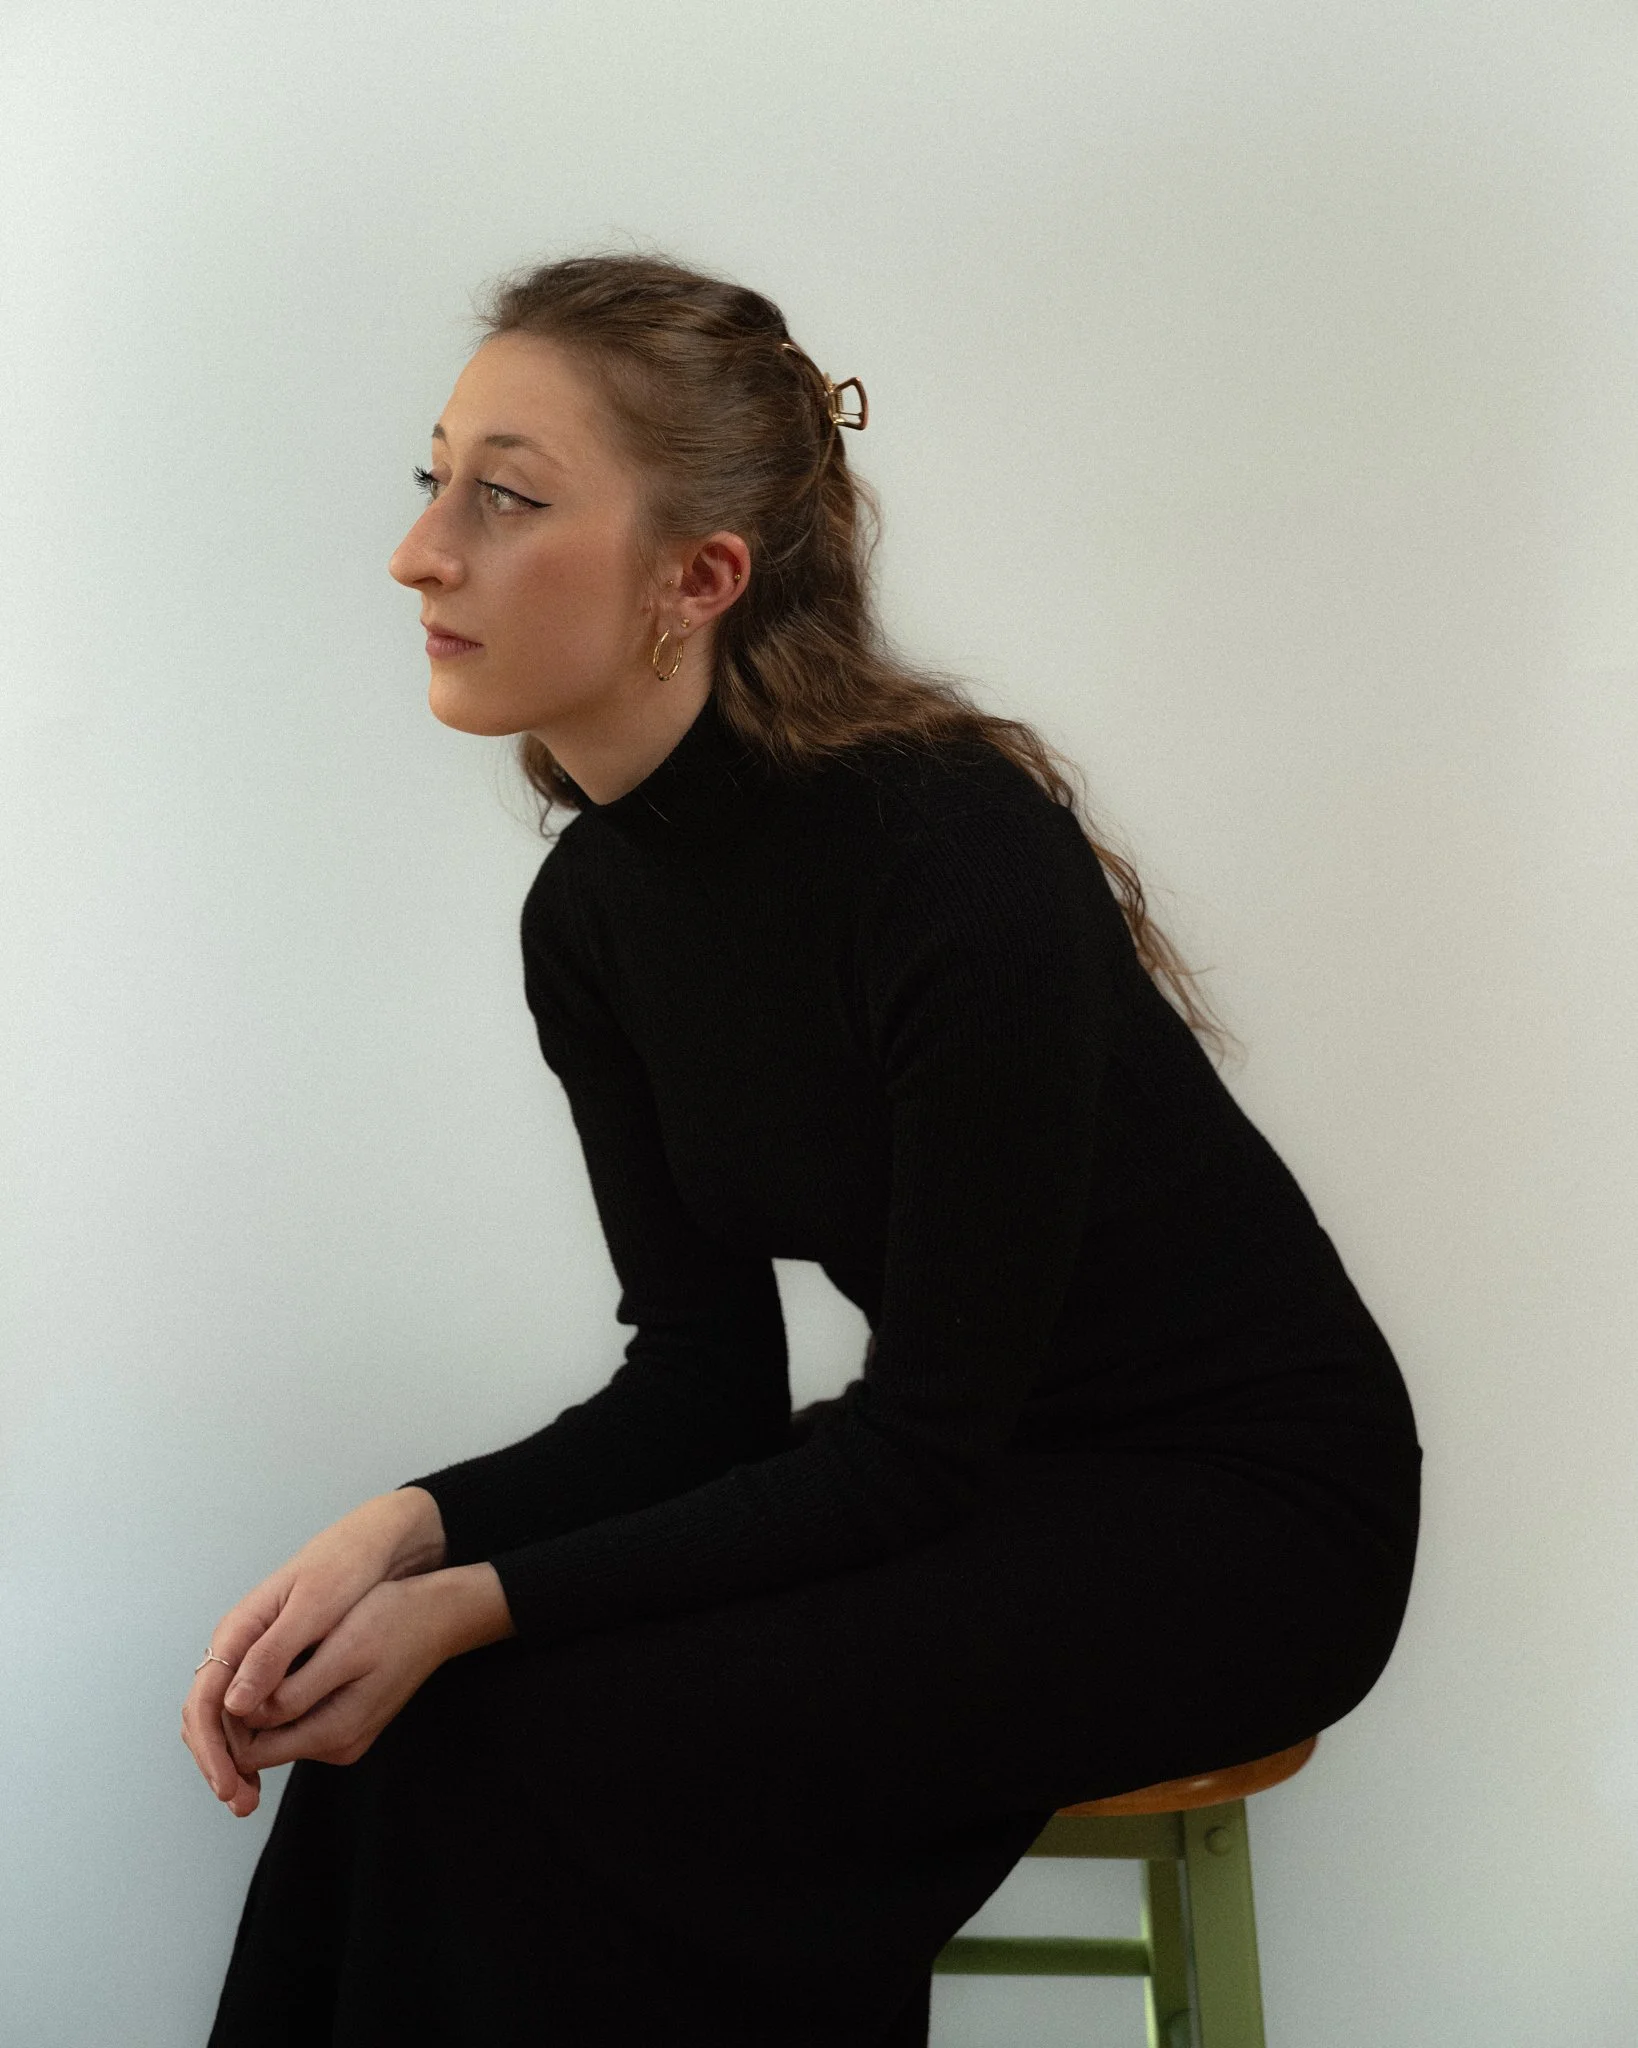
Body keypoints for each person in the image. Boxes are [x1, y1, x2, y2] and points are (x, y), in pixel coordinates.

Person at [184, 249, 1423, 2048]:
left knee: (548, 1730)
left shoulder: (949, 848)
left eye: (504, 497)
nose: (420, 552)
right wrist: (403, 1535)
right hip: (975, 1473)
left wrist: (477, 1605)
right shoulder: (592, 917)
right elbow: (698, 1384)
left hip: (1235, 1521)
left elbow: (913, 1446)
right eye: (431, 478)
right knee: (429, 1715)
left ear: (699, 578)